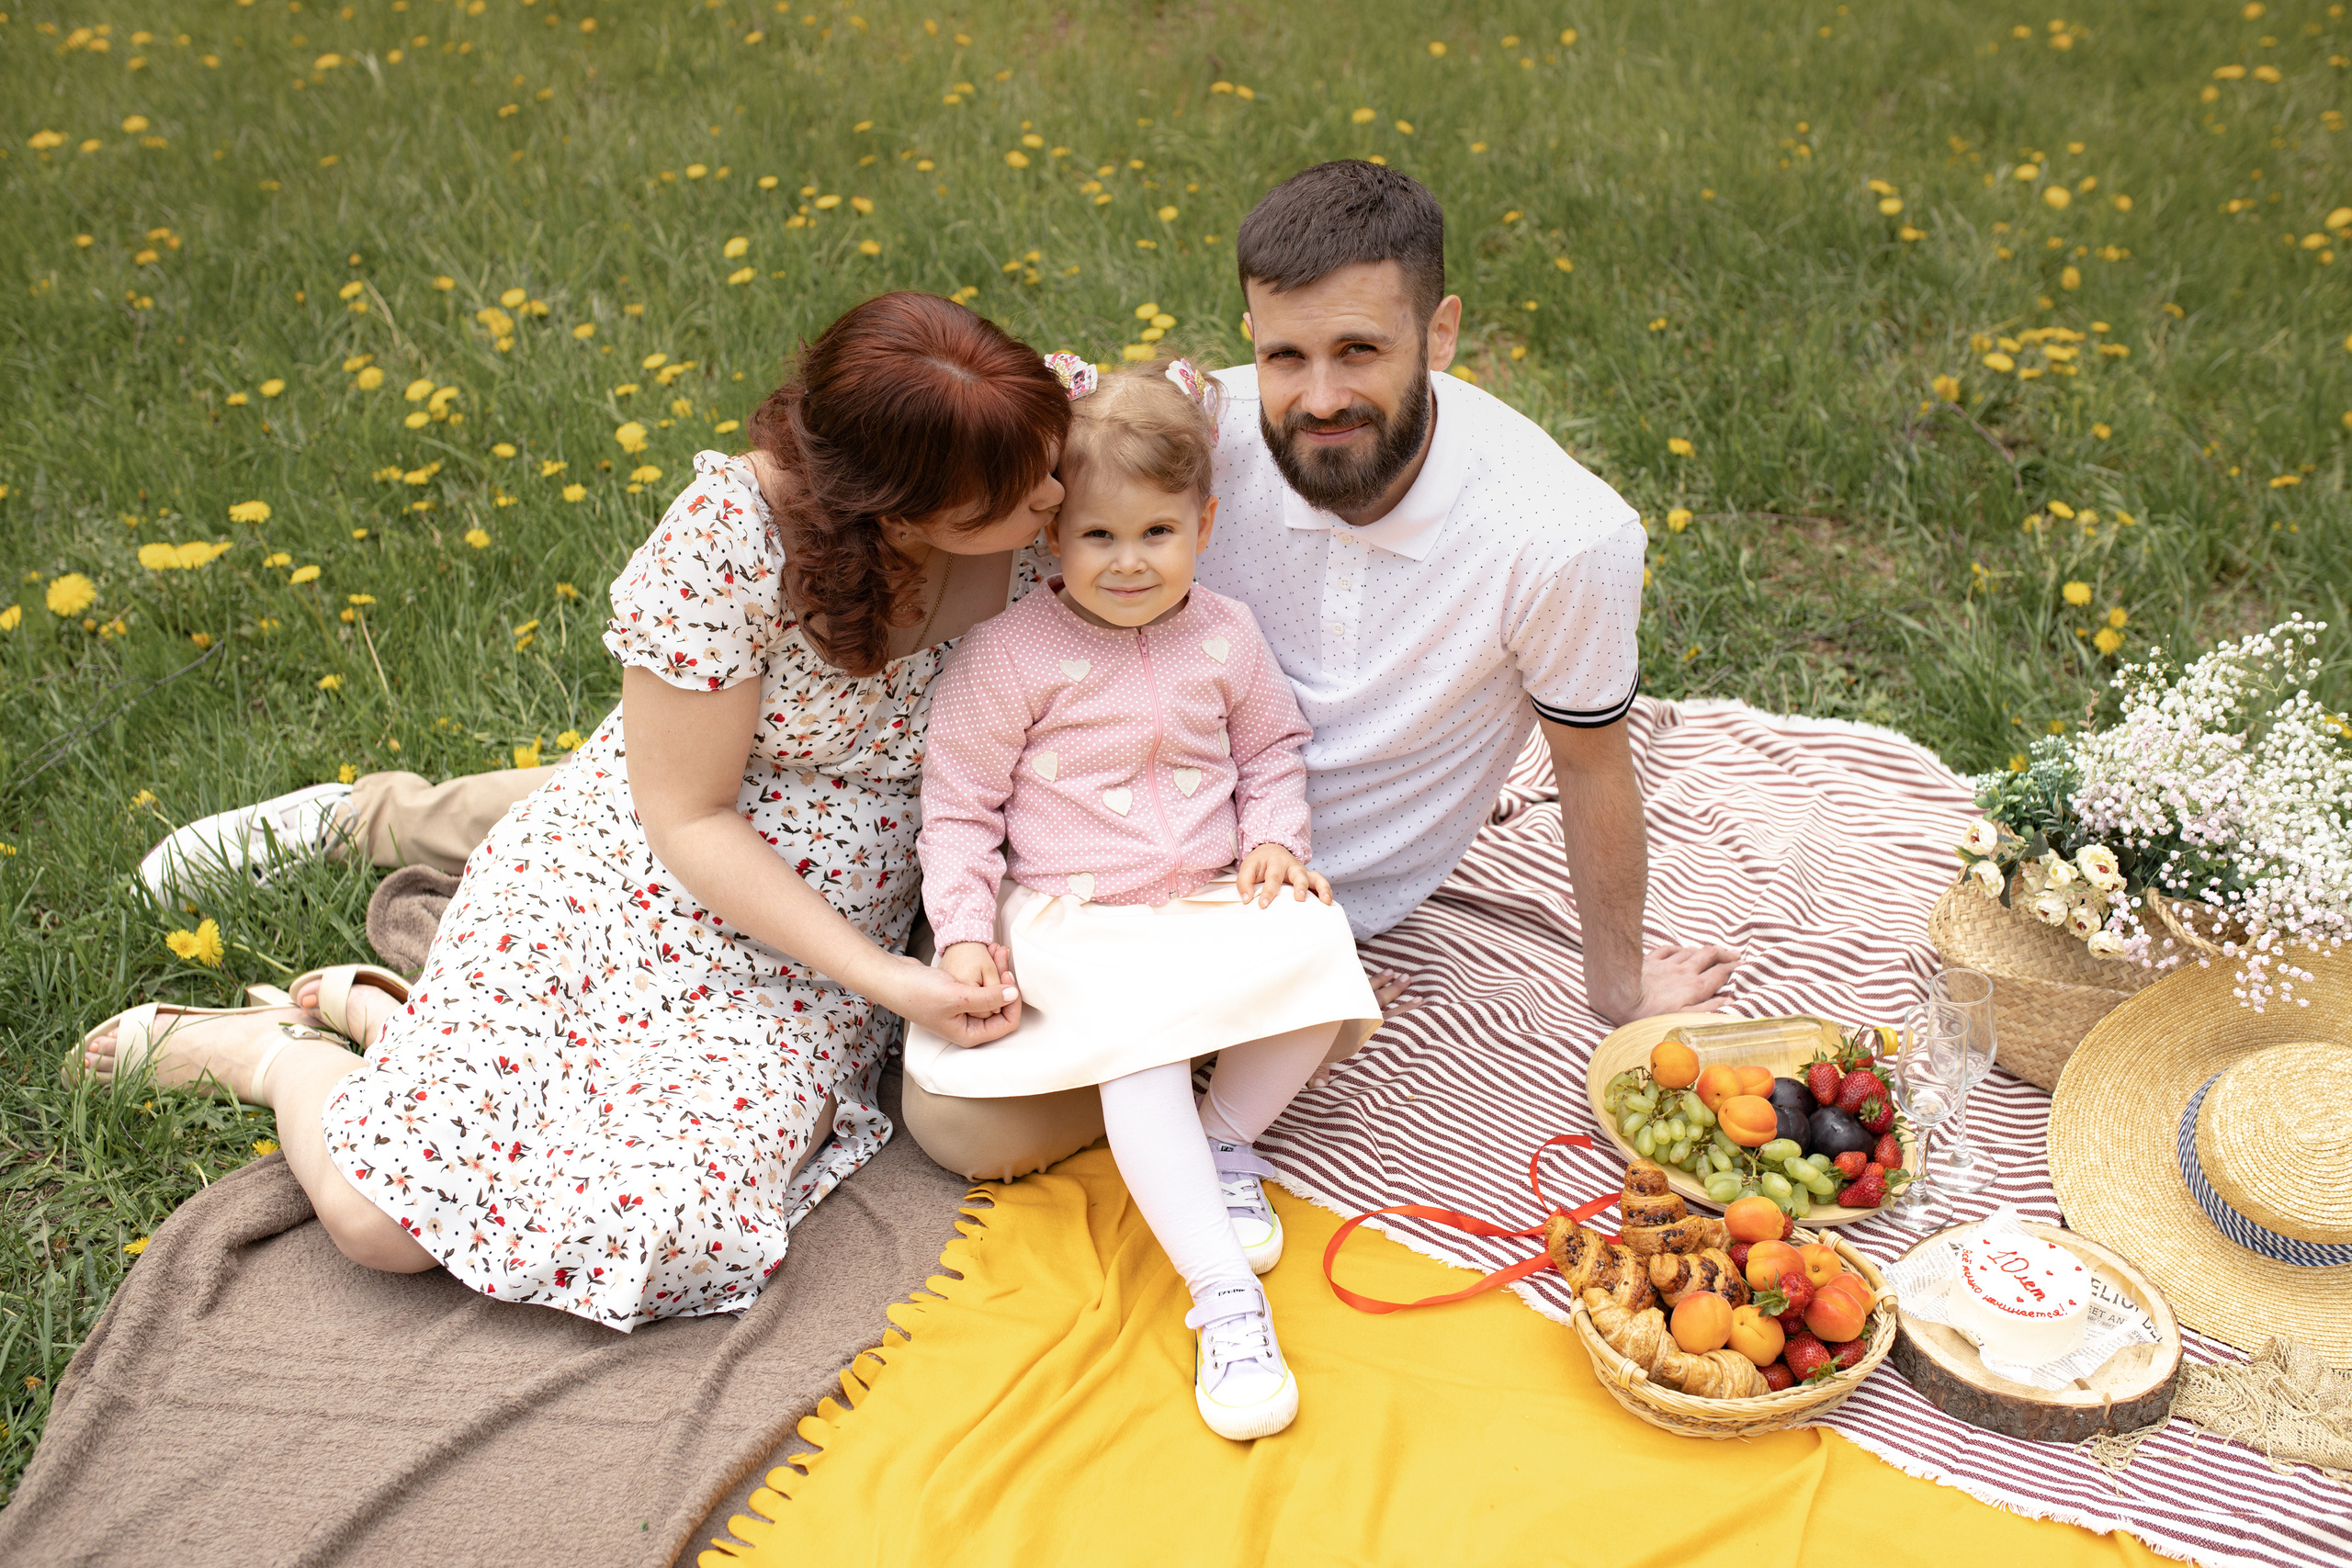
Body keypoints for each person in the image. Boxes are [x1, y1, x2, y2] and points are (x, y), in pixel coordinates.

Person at [139, 160, 1739, 1189]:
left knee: (784, 838)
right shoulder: (815, 519)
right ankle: (389, 817)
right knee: (652, 794)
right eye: (1283, 356)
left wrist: (1609, 986)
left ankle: (401, 940)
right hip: (871, 809)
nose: (1059, 527)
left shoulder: (1522, 528)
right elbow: (705, 794)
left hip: (1069, 841)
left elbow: (1583, 758)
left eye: (1362, 354)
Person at [84, 293, 1074, 1326]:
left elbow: (1178, 430)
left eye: (1053, 458)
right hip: (658, 868)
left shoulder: (1015, 435)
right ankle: (287, 1061)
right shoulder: (729, 541)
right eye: (1022, 488)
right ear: (899, 512)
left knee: (662, 1231)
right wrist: (887, 981)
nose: (1057, 489)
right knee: (382, 1225)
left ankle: (384, 1018)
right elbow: (688, 818)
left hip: (832, 904)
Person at [910, 355, 1379, 1438]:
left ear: (1203, 526)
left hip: (1203, 896)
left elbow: (1271, 751)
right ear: (1050, 538)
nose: (1128, 563)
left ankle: (1222, 1141)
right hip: (1079, 915)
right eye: (1098, 537)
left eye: (1155, 535)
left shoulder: (1225, 633)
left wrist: (1271, 842)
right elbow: (962, 810)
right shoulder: (1011, 655)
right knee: (1142, 1044)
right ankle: (1223, 1299)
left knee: (1318, 943)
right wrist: (966, 935)